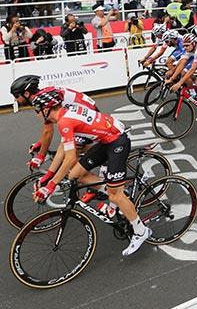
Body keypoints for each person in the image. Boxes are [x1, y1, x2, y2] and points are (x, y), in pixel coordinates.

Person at [26, 89, 151, 256]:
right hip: (106, 140)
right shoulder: (64, 116)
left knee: (115, 196)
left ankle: (141, 231)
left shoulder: (64, 122)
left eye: (37, 110)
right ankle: (116, 191)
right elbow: (64, 149)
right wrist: (48, 177)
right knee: (74, 175)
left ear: (46, 109)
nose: (37, 115)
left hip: (117, 142)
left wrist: (51, 186)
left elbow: (70, 158)